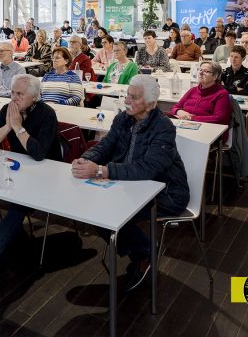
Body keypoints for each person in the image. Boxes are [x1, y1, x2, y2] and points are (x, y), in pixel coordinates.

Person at [72, 75, 189, 291]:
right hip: (128, 185)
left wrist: (102, 170)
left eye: (134, 98)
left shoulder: (163, 127)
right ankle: (143, 251)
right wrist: (86, 159)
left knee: (110, 212)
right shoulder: (122, 119)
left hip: (165, 192)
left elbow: (149, 168)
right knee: (93, 210)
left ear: (151, 104)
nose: (127, 100)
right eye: (127, 95)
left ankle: (144, 253)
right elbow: (105, 146)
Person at [0, 74, 61, 279]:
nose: (14, 98)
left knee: (20, 203)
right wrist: (7, 126)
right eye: (13, 93)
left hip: (46, 173)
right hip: (17, 169)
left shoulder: (46, 114)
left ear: (34, 97)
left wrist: (18, 127)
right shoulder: (9, 109)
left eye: (20, 94)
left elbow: (39, 153)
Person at [170, 61, 232, 127]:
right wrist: (179, 111)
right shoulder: (193, 90)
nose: (201, 73)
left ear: (215, 76)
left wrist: (192, 118)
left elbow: (219, 118)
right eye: (200, 70)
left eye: (206, 71)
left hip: (208, 129)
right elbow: (174, 107)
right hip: (185, 125)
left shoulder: (221, 94)